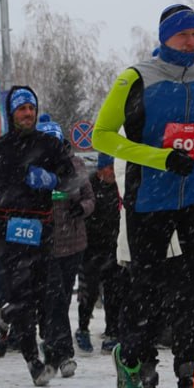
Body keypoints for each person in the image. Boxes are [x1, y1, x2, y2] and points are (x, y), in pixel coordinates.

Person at [92, 3, 194, 388]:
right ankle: (130, 356)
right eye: (183, 36)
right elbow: (102, 137)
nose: (192, 43)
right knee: (150, 291)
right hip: (150, 199)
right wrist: (158, 158)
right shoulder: (135, 78)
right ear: (164, 38)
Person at [0, 87, 77, 386]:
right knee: (21, 298)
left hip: (42, 231)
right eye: (22, 109)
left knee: (48, 297)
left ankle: (47, 345)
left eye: (31, 108)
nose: (28, 113)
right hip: (7, 232)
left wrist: (53, 179)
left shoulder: (49, 145)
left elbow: (73, 179)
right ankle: (34, 362)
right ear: (12, 113)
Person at [38, 115, 95, 378]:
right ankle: (59, 353)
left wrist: (79, 208)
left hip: (73, 244)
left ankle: (57, 349)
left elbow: (90, 199)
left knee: (60, 300)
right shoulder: (34, 168)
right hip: (44, 245)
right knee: (52, 299)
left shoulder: (76, 165)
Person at [76, 152, 127, 355]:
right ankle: (83, 328)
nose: (113, 172)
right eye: (109, 168)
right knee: (89, 292)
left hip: (114, 248)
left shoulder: (120, 186)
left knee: (114, 292)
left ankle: (112, 332)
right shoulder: (89, 185)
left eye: (115, 168)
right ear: (100, 170)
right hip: (91, 248)